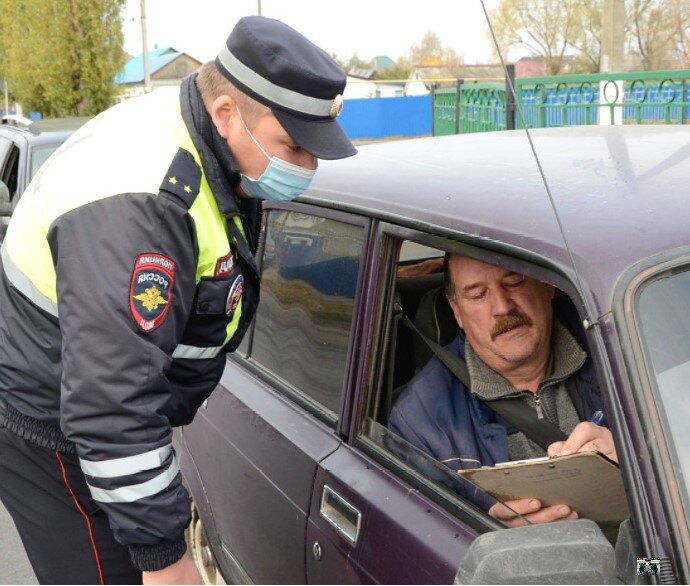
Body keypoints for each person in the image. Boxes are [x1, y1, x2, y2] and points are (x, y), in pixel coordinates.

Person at [0, 16, 355, 585]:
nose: (306, 167)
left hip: (91, 408)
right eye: (293, 146)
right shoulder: (143, 204)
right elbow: (110, 405)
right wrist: (164, 559)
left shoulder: (206, 144)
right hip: (54, 430)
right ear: (225, 114)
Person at [389, 253, 618, 528]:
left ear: (548, 284)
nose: (502, 307)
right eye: (477, 295)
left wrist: (635, 463)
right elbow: (425, 546)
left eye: (514, 281)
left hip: (640, 562)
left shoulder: (621, 353)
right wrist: (488, 532)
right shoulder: (420, 420)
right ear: (456, 311)